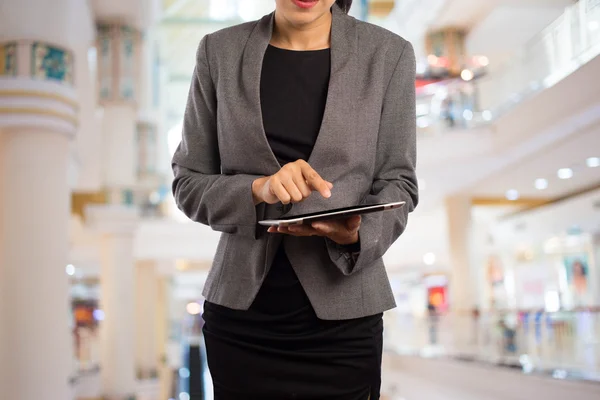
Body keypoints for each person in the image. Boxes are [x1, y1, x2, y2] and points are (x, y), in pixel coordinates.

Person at [171, 0, 418, 398]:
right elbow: (188, 184)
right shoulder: (218, 51)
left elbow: (399, 182)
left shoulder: (389, 54)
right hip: (242, 321)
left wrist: (354, 235)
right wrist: (258, 190)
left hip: (346, 319)